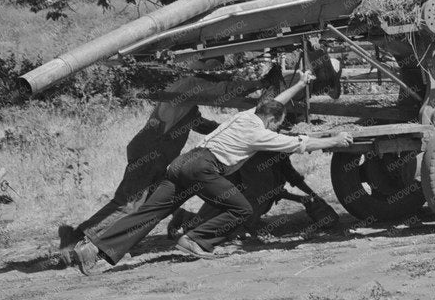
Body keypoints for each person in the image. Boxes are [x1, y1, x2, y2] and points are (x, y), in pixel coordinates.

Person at [68, 76, 353, 275]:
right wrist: (335, 140)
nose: (277, 129)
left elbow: (274, 103)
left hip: (182, 163)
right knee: (241, 208)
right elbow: (302, 143)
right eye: (277, 125)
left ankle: (94, 250)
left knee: (150, 212)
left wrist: (301, 83)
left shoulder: (247, 117)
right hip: (203, 168)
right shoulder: (260, 132)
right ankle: (197, 240)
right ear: (271, 122)